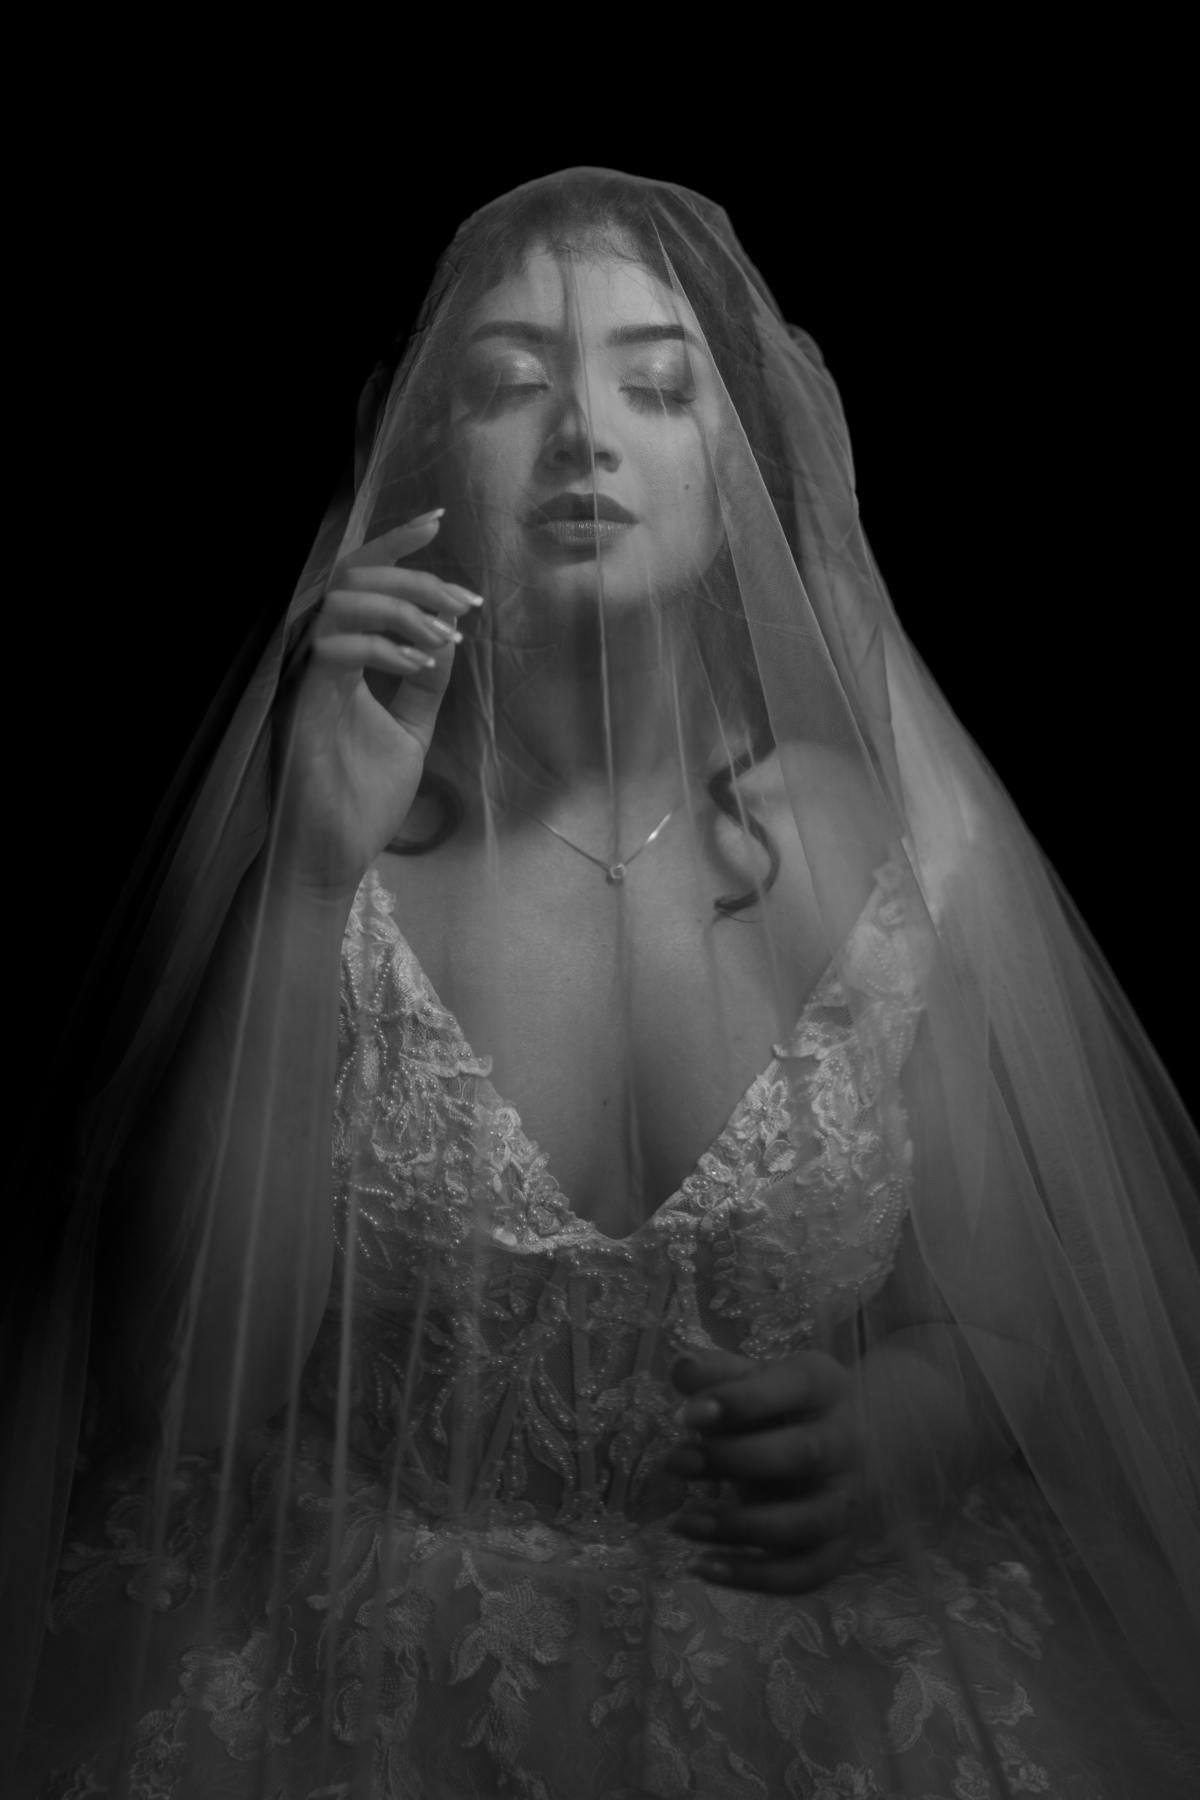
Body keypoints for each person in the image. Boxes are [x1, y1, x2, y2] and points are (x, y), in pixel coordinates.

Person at [10, 169, 1198, 1798]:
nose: (583, 434)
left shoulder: (881, 853)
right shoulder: (337, 852)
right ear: (429, 458)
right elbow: (177, 1395)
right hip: (357, 1663)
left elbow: (1002, 1319)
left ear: (739, 469)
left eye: (655, 384)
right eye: (511, 384)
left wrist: (912, 1427)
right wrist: (303, 882)